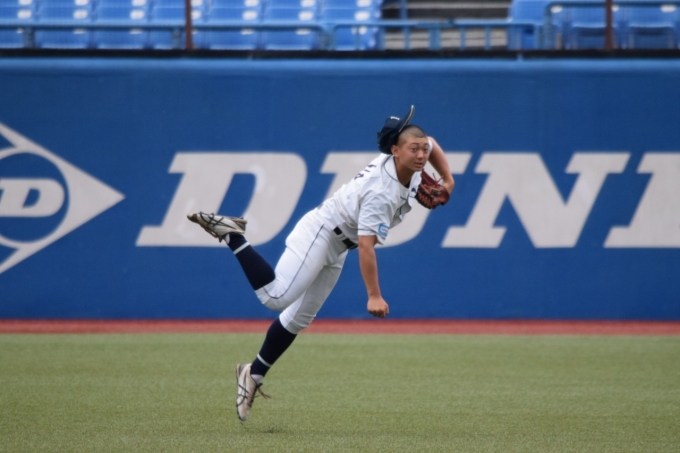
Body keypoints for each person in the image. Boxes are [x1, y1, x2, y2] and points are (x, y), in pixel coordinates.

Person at [187, 106, 454, 422]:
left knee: (299, 318)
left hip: (339, 245)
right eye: (414, 149)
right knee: (275, 296)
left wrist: (448, 179)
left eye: (423, 149)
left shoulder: (410, 159)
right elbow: (367, 247)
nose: (422, 154)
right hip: (322, 232)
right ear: (395, 151)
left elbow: (430, 141)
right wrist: (373, 295)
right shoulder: (380, 192)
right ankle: (233, 235)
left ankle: (253, 374)